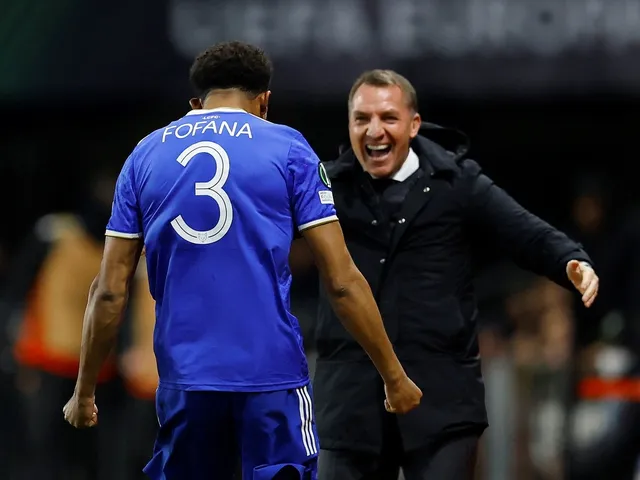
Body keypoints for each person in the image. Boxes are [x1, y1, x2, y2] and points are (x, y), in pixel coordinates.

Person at [62, 43, 422, 480]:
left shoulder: (145, 155)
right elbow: (342, 280)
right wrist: (393, 376)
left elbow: (109, 290)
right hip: (271, 377)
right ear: (264, 101)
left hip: (185, 379)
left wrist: (84, 392)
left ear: (196, 103)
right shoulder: (288, 148)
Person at [294, 69, 599, 480]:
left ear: (414, 124)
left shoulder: (456, 181)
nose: (374, 130)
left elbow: (524, 232)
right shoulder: (326, 188)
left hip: (441, 400)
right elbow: (266, 237)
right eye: (362, 118)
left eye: (388, 117)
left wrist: (570, 261)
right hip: (350, 403)